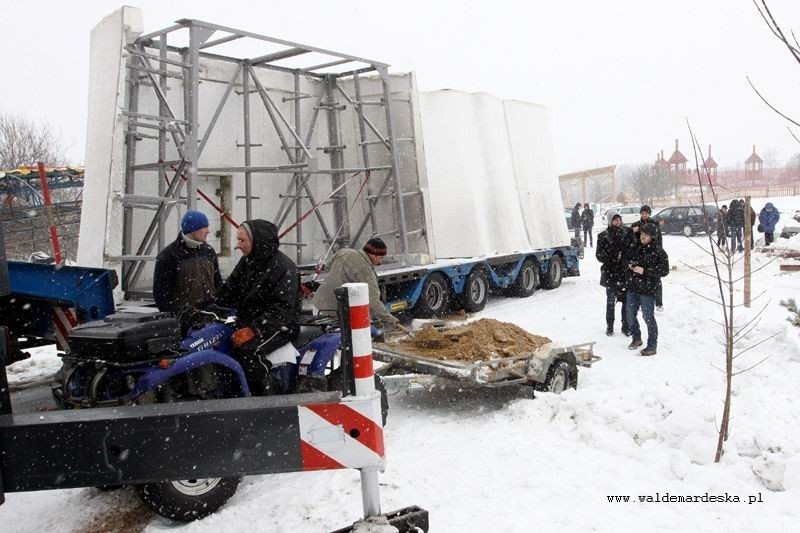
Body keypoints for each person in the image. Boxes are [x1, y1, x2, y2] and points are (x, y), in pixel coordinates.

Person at [213, 220, 301, 395]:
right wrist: (208, 304)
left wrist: (253, 329)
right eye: (238, 240)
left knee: (248, 352)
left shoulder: (284, 267)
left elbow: (282, 309)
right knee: (219, 341)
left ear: (257, 242)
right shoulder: (248, 262)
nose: (238, 245)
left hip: (280, 326)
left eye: (242, 240)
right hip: (249, 320)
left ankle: (266, 398)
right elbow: (229, 290)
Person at [311, 237, 403, 331]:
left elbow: (327, 266)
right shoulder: (366, 270)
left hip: (318, 306)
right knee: (354, 340)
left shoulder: (345, 252)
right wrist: (391, 320)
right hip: (333, 314)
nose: (381, 262)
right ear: (374, 255)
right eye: (381, 258)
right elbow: (373, 303)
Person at [153, 210, 222, 312]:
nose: (208, 231)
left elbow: (218, 283)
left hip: (211, 314)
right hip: (184, 320)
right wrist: (179, 313)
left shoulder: (209, 251)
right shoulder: (168, 256)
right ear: (194, 230)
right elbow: (162, 295)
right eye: (204, 227)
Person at [625, 223, 669, 356]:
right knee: (630, 315)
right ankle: (636, 338)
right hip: (633, 287)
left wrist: (645, 271)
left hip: (648, 290)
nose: (642, 237)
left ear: (652, 236)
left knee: (648, 317)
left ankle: (652, 346)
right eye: (641, 234)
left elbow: (664, 271)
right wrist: (631, 265)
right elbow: (628, 258)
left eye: (645, 235)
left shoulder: (659, 251)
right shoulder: (636, 247)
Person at [596, 213, 629, 336]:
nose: (617, 222)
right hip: (610, 273)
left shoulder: (626, 233)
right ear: (610, 221)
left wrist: (625, 259)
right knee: (610, 302)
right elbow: (599, 255)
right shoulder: (603, 236)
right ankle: (610, 326)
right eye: (615, 220)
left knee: (626, 302)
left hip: (624, 273)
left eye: (619, 220)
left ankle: (625, 326)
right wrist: (612, 257)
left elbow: (630, 251)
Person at [627, 205, 663, 310]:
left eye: (646, 213)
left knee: (656, 279)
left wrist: (658, 252)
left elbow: (659, 240)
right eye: (642, 213)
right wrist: (632, 231)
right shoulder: (636, 225)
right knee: (640, 279)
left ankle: (659, 303)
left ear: (649, 214)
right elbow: (629, 238)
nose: (644, 215)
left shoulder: (654, 225)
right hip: (639, 254)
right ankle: (641, 302)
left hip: (653, 254)